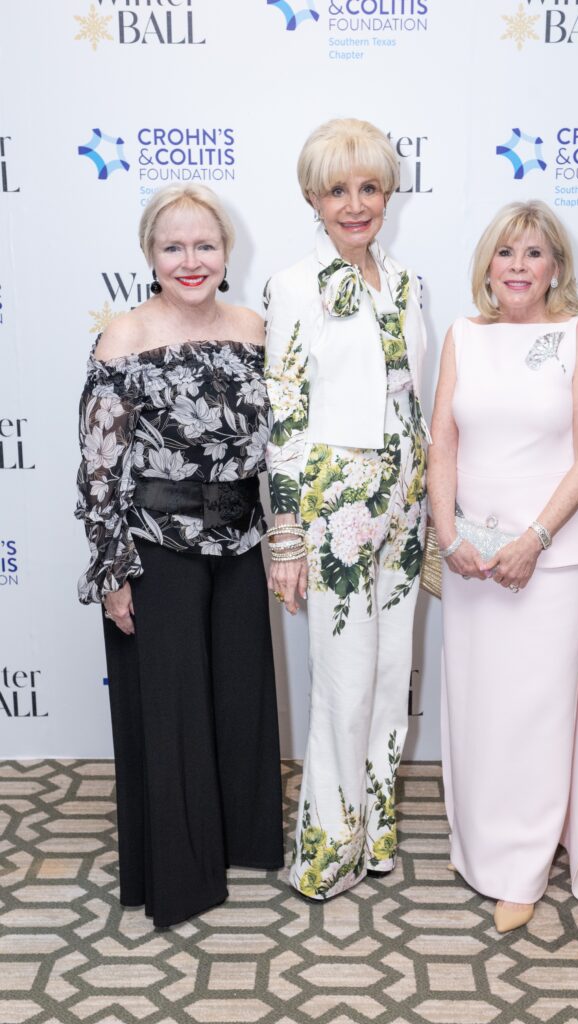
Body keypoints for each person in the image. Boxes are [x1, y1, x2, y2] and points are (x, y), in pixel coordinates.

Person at [75, 184, 283, 928]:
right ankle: (180, 879)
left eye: (204, 245)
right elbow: (100, 468)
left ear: (226, 253)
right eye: (173, 247)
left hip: (240, 541)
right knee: (170, 713)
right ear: (148, 256)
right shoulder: (123, 337)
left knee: (239, 697)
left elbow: (278, 447)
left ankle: (244, 842)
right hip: (156, 546)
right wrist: (111, 572)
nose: (190, 261)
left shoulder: (255, 327)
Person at [428, 200, 578, 933]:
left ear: (555, 268)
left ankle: (524, 868)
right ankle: (476, 845)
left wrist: (534, 539)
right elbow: (441, 442)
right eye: (504, 253)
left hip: (551, 560)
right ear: (486, 266)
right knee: (477, 709)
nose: (517, 267)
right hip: (472, 559)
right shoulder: (460, 338)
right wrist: (446, 536)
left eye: (532, 254)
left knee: (534, 716)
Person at [264, 118, 430, 899]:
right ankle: (328, 850)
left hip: (403, 503)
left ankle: (376, 828)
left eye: (369, 188)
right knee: (343, 679)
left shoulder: (403, 280)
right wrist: (288, 534)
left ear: (389, 194)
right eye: (338, 190)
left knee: (392, 670)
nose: (356, 205)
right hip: (333, 505)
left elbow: (416, 401)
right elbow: (284, 413)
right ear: (312, 197)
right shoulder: (294, 285)